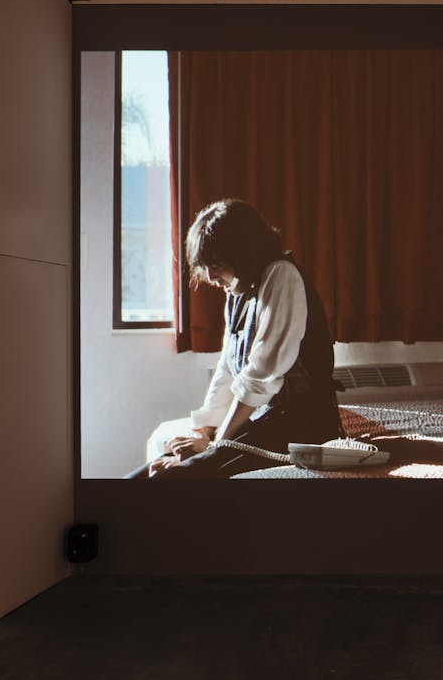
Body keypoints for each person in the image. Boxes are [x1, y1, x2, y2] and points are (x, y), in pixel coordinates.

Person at [146, 199, 342, 478]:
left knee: (177, 476)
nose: (210, 276)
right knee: (156, 466)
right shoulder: (237, 292)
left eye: (217, 264)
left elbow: (261, 375)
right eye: (206, 266)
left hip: (302, 423)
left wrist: (216, 445)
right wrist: (204, 429)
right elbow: (228, 369)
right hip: (265, 416)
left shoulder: (281, 276)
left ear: (242, 253)